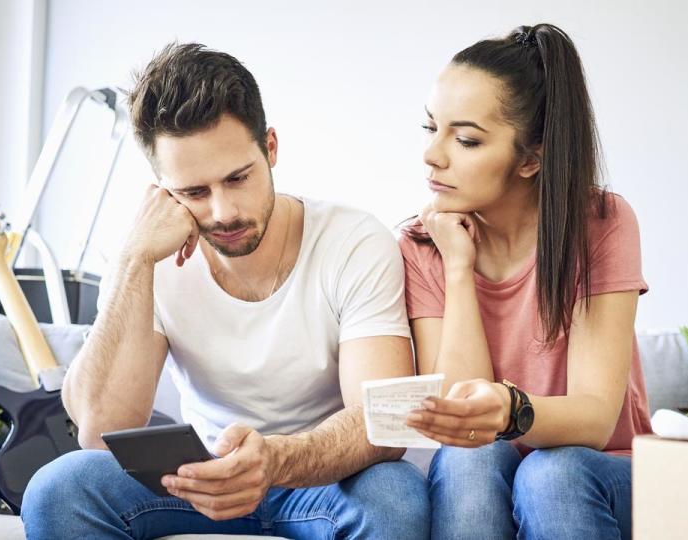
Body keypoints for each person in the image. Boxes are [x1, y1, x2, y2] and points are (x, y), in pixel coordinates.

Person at [21, 42, 429, 540]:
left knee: (395, 494)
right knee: (58, 488)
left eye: (238, 178)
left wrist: (275, 460)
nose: (223, 211)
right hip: (196, 478)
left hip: (321, 479)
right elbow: (98, 429)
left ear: (271, 147)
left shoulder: (353, 240)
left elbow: (383, 424)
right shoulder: (147, 256)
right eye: (193, 192)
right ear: (162, 189)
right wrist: (133, 261)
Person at [400, 23, 651, 539]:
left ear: (531, 158)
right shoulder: (423, 245)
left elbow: (596, 420)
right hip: (487, 469)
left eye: (466, 139)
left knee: (550, 473)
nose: (433, 155)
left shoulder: (600, 224)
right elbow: (459, 419)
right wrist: (458, 268)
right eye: (432, 128)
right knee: (469, 461)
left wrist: (510, 410)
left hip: (606, 473)